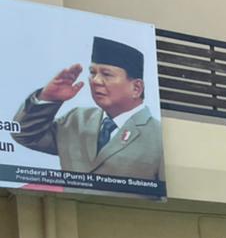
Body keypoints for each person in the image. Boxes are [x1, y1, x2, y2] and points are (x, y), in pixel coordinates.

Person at [14, 36, 164, 181]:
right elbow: (25, 135)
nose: (96, 81)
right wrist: (48, 98)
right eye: (93, 73)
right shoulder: (77, 119)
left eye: (106, 74)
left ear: (136, 88)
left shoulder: (157, 136)